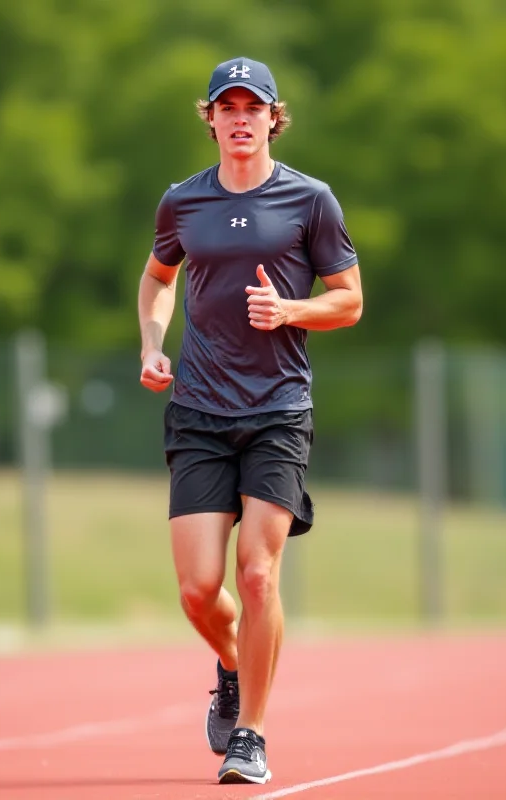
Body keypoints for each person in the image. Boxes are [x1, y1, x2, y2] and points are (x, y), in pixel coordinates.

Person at [137, 56, 362, 785]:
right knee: (200, 590)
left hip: (277, 411)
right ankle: (233, 665)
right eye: (226, 106)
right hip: (199, 408)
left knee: (258, 575)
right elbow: (157, 278)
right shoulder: (182, 202)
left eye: (252, 106)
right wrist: (152, 341)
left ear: (273, 116)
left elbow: (350, 300)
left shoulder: (311, 199)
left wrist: (291, 310)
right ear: (209, 117)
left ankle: (252, 736)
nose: (240, 117)